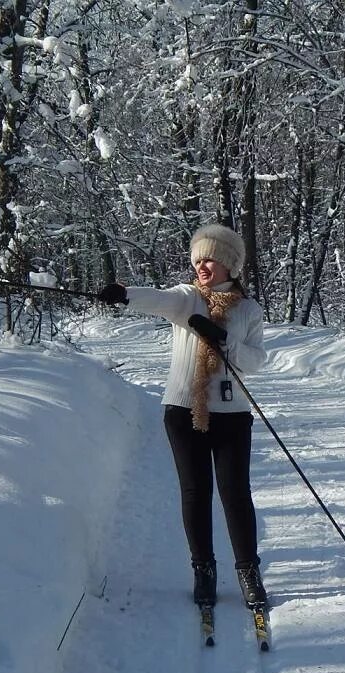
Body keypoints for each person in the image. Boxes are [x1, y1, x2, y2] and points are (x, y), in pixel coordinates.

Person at [90, 223, 268, 611]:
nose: (203, 265)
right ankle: (203, 570)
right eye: (199, 258)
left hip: (233, 415)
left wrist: (224, 341)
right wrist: (123, 294)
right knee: (195, 492)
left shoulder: (249, 310)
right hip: (183, 410)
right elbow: (157, 299)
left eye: (212, 259)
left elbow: (256, 361)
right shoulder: (188, 299)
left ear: (229, 266)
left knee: (235, 494)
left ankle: (249, 572)